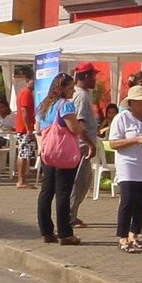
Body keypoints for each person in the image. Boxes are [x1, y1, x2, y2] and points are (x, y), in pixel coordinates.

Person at [36, 73, 85, 246]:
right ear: (62, 88)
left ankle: (46, 231)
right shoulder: (65, 105)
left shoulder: (44, 106)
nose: (73, 91)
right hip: (64, 153)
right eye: (70, 88)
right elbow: (75, 129)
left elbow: (38, 130)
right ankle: (65, 233)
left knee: (46, 191)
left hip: (47, 152)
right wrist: (81, 126)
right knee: (63, 193)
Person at [109, 86, 142, 253]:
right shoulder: (121, 118)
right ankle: (122, 236)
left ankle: (134, 234)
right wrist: (136, 140)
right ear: (132, 102)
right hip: (128, 165)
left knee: (141, 201)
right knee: (128, 200)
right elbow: (113, 143)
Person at [69, 62, 100, 229]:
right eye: (93, 75)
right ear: (86, 76)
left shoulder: (83, 94)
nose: (95, 79)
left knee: (84, 180)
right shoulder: (80, 96)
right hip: (82, 145)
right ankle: (70, 216)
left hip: (83, 144)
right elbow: (79, 122)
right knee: (79, 182)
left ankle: (72, 214)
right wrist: (89, 144)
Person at [13, 69, 36, 189]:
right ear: (28, 80)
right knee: (23, 153)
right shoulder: (26, 92)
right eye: (34, 80)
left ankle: (22, 179)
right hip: (23, 128)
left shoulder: (25, 92)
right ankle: (21, 180)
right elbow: (24, 110)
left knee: (24, 153)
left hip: (23, 127)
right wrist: (29, 128)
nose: (35, 83)